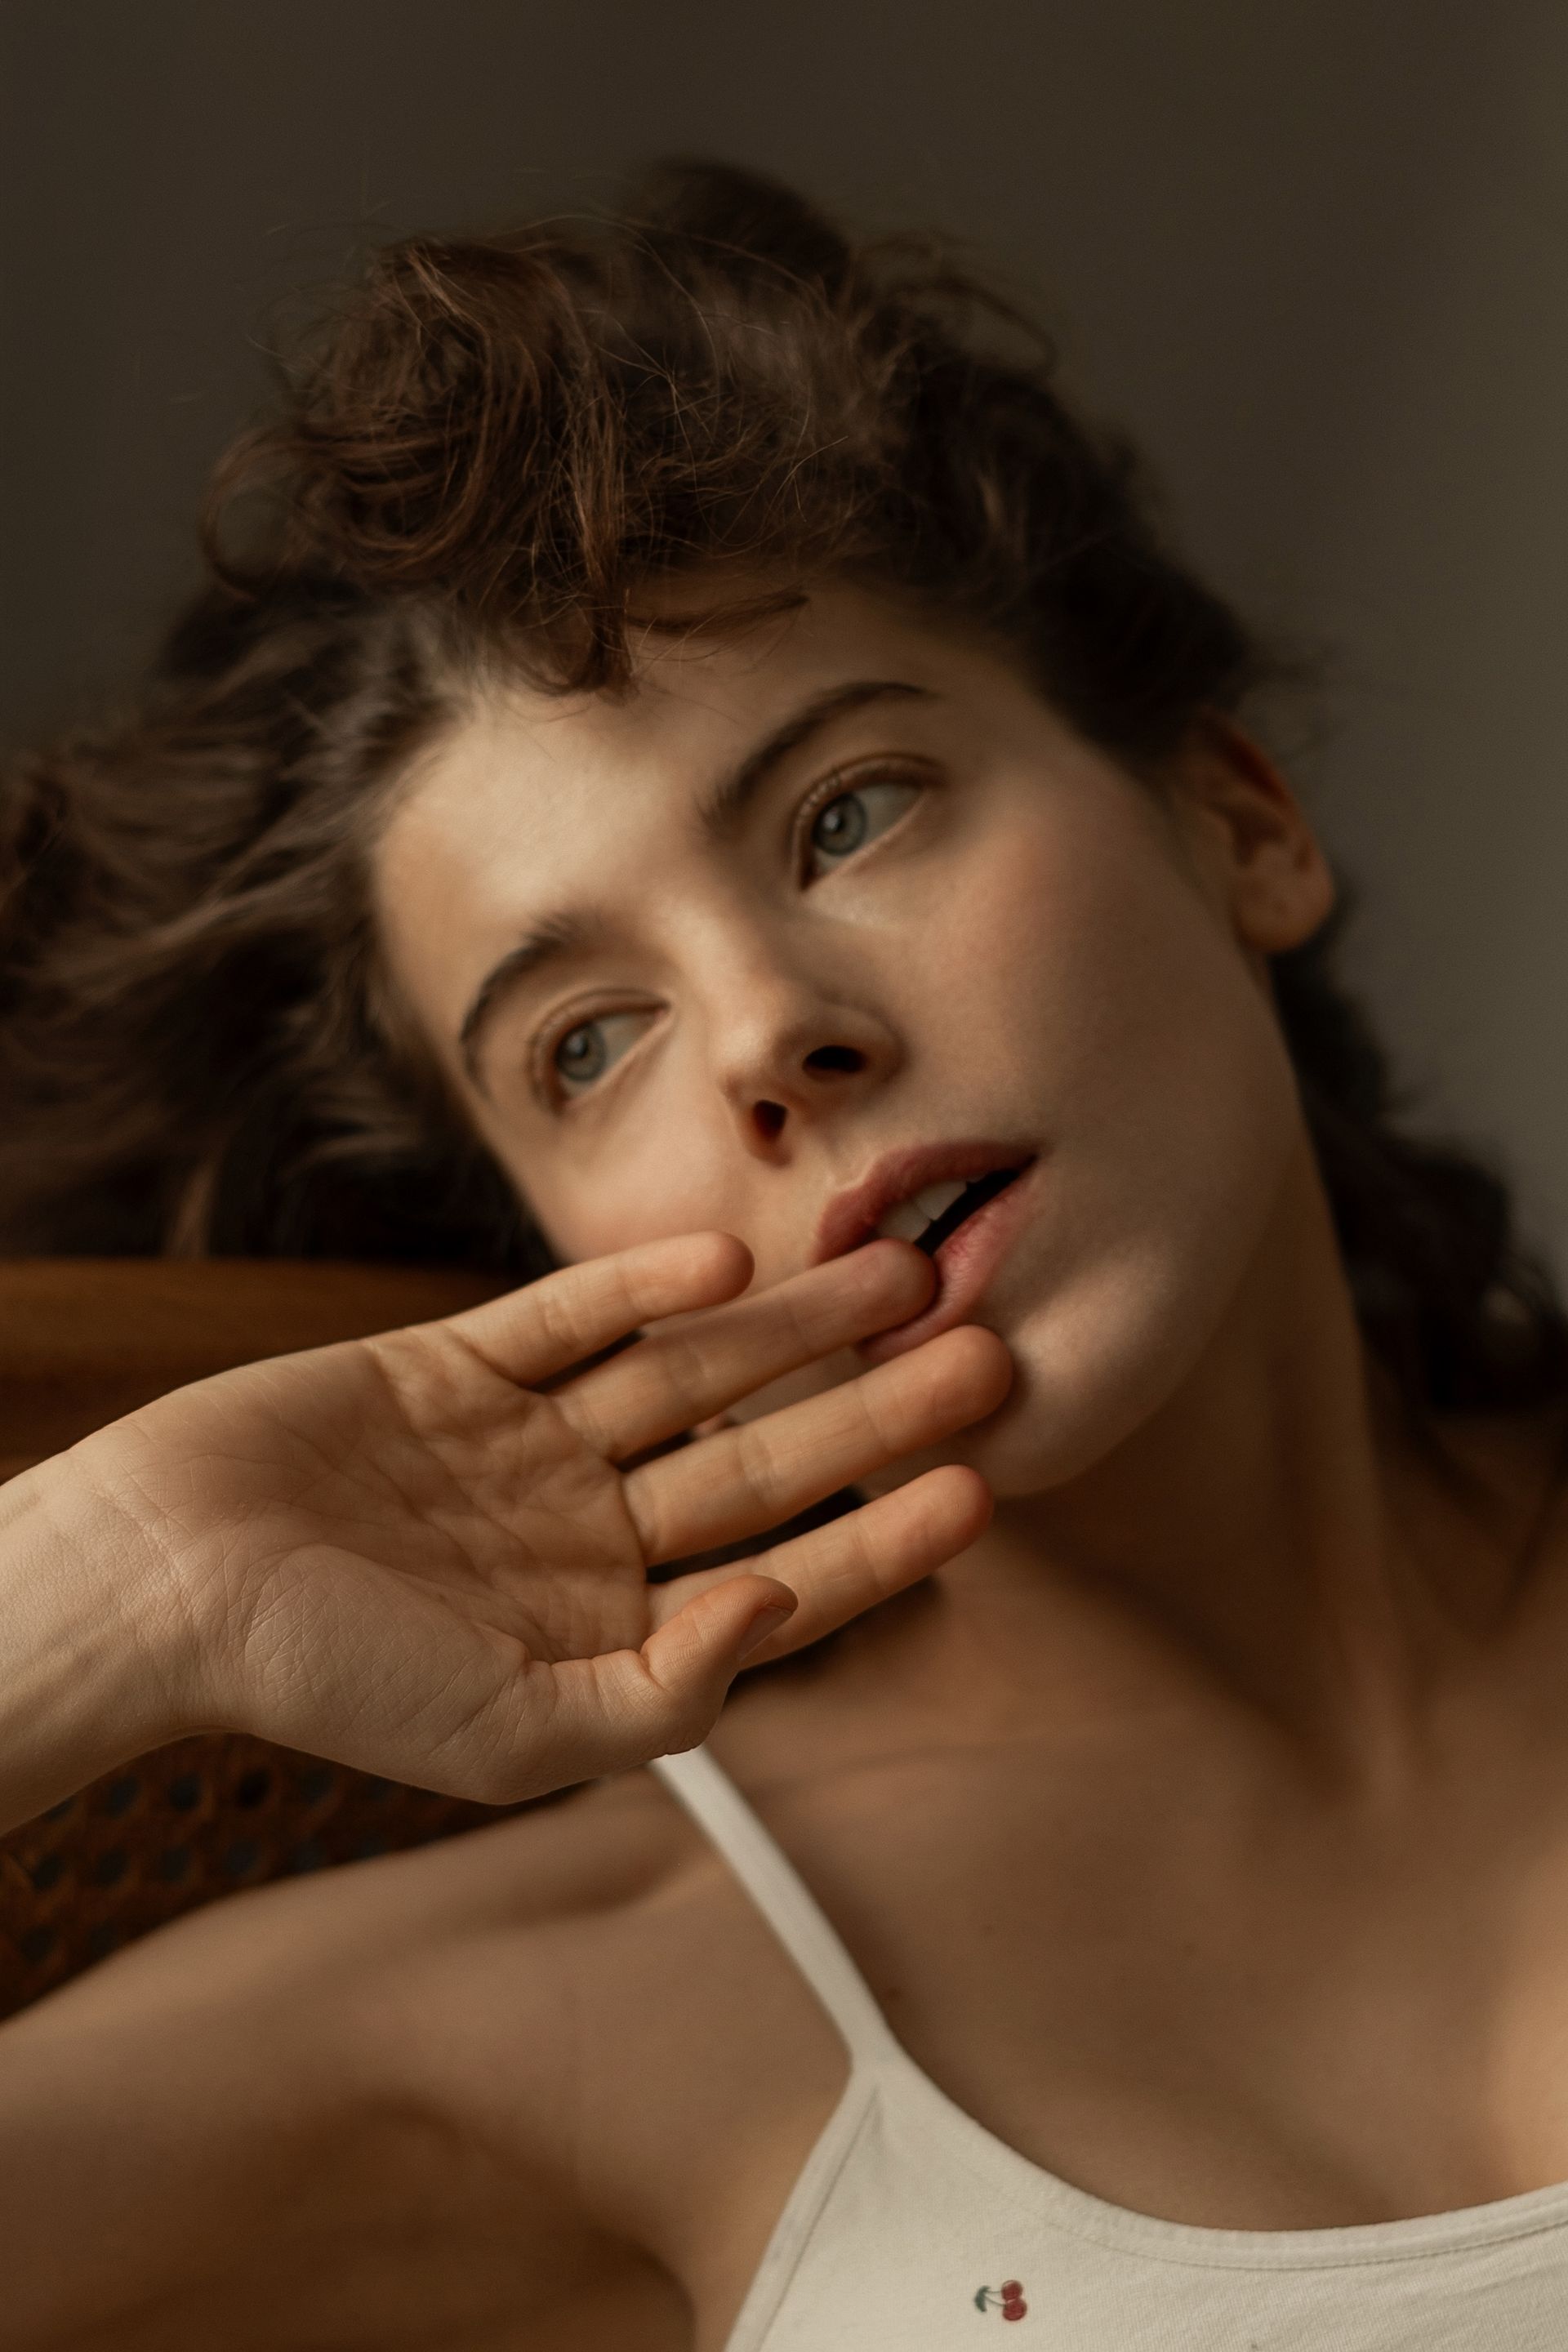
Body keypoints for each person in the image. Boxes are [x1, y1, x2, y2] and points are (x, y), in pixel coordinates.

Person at [2, 157, 1567, 2350]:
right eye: (585, 1043)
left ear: (1241, 818)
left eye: (852, 810)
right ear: (545, 1245)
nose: (769, 1032)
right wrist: (84, 1605)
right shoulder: (555, 2008)